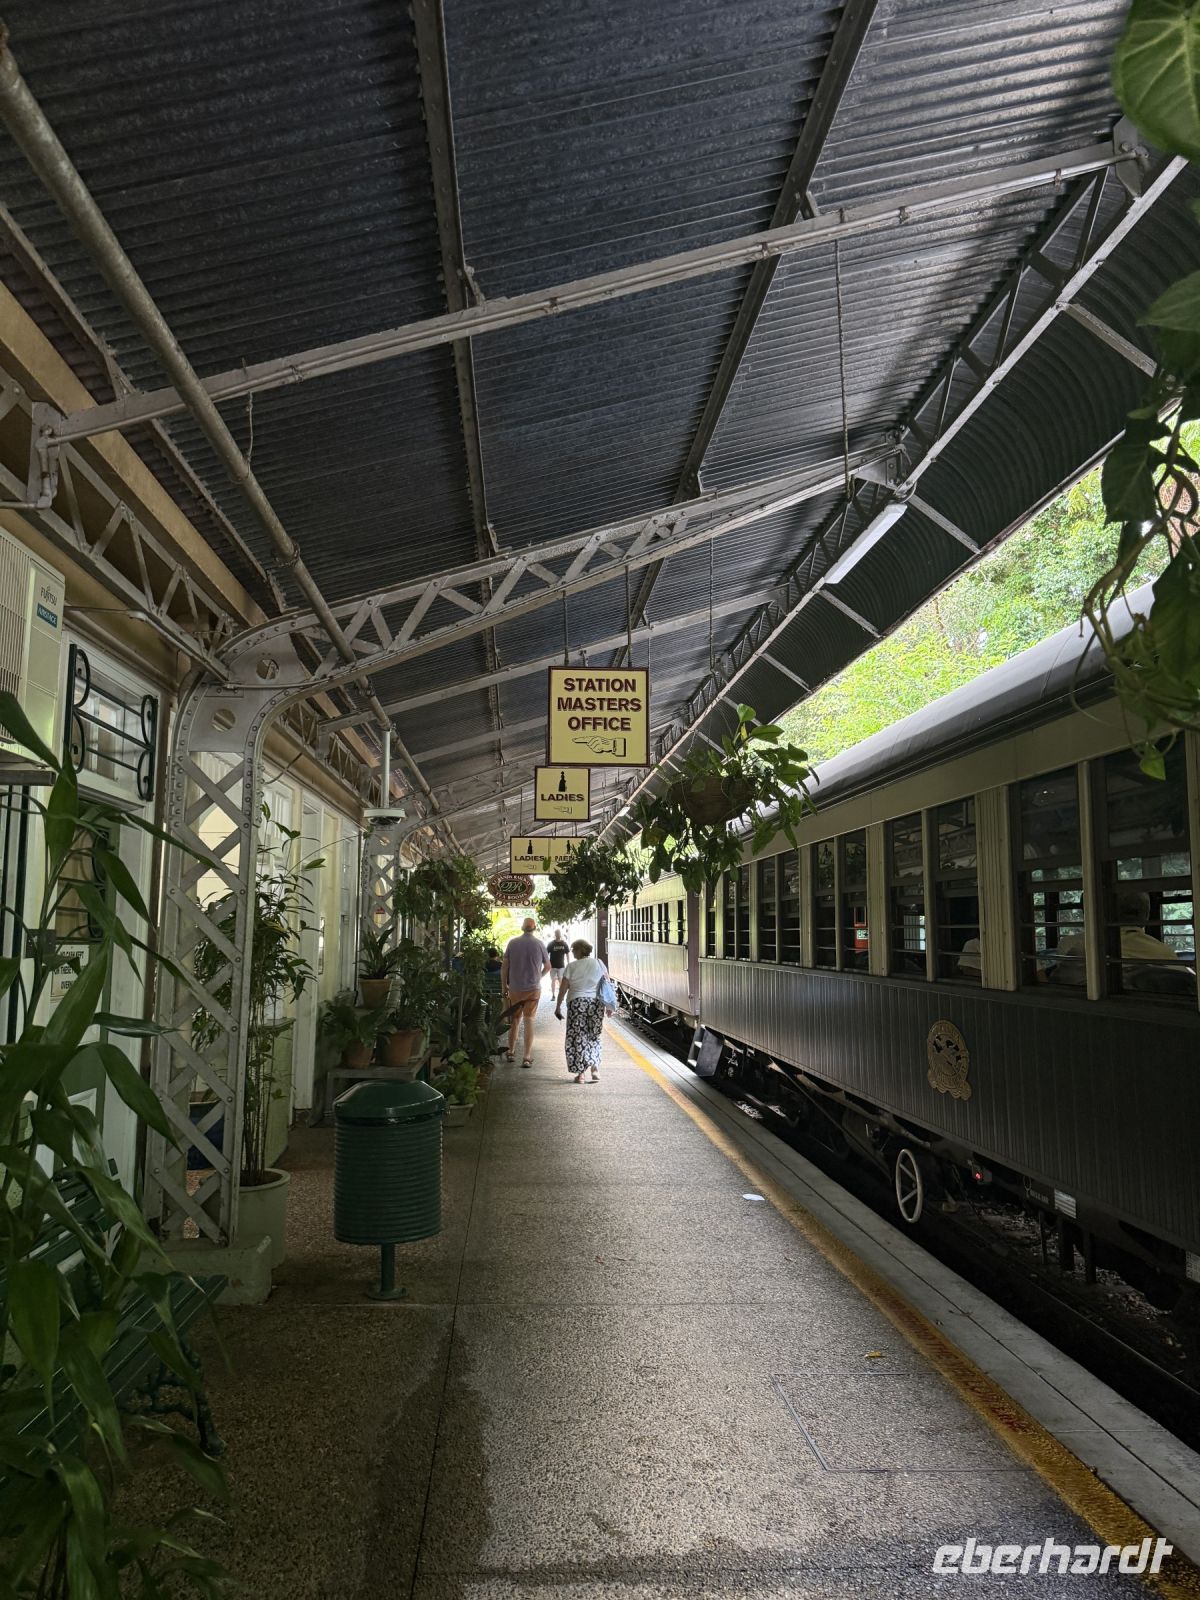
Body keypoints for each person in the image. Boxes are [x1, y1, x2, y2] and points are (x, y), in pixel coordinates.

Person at [554, 937, 611, 1084]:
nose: (572, 952)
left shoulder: (572, 966)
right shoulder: (599, 963)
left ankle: (581, 1075)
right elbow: (607, 983)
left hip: (577, 1004)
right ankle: (595, 1068)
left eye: (573, 950)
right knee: (594, 1035)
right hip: (596, 1003)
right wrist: (610, 1006)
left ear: (580, 950)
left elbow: (563, 988)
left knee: (577, 1038)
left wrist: (558, 1006)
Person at [501, 917, 549, 1068]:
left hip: (515, 989)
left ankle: (510, 1051)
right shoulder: (540, 944)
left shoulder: (512, 943)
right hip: (533, 990)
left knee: (515, 1020)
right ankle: (527, 1057)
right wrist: (538, 977)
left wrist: (504, 986)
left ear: (522, 927)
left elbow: (504, 967)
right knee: (529, 1020)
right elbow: (548, 966)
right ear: (534, 928)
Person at [546, 927, 570, 1000]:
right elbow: (546, 954)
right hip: (552, 966)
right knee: (553, 980)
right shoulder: (551, 944)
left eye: (559, 933)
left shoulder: (564, 944)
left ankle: (561, 995)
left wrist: (568, 963)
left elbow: (567, 954)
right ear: (555, 934)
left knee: (561, 980)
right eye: (556, 933)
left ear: (560, 934)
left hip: (561, 965)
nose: (558, 935)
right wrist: (547, 964)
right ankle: (553, 995)